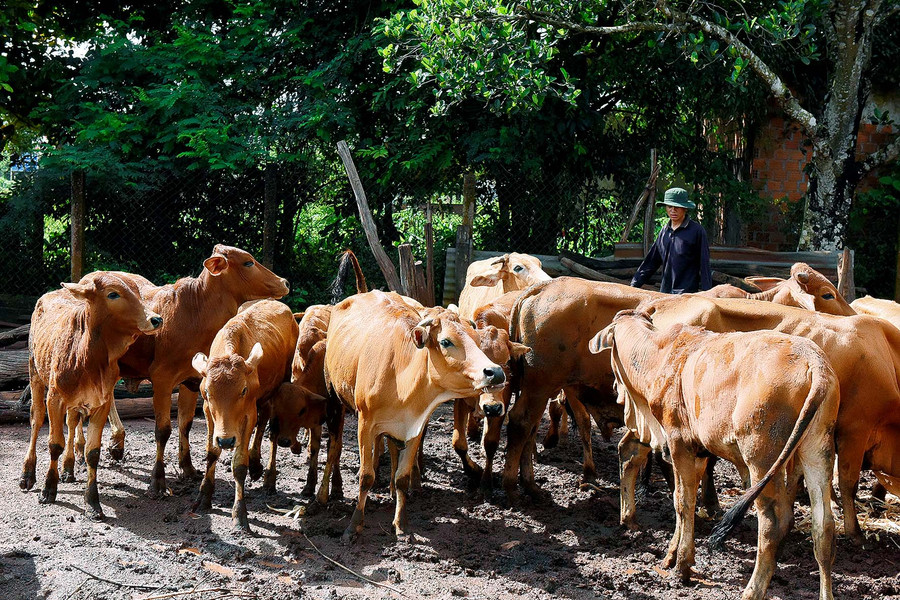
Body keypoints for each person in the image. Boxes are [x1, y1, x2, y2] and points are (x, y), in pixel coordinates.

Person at [630, 187, 712, 294]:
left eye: (677, 207)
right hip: (665, 293)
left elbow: (705, 265)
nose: (673, 210)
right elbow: (651, 262)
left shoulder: (696, 231)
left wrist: (708, 294)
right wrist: (633, 286)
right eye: (669, 207)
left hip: (687, 295)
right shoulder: (664, 232)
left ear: (685, 208)